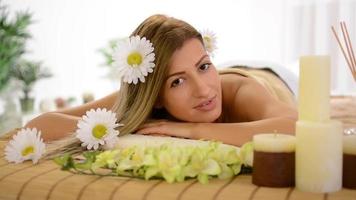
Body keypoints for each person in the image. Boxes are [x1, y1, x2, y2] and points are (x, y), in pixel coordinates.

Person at [20, 14, 297, 148]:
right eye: (177, 82)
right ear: (156, 98)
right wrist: (135, 125)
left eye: (203, 66)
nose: (203, 90)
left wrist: (190, 130)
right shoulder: (147, 99)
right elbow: (41, 124)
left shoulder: (238, 92)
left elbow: (298, 126)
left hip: (271, 76)